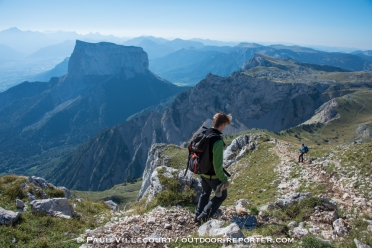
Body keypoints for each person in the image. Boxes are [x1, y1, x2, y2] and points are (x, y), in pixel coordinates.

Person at [195, 112, 232, 224]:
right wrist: (224, 180)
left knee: (205, 193)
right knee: (222, 195)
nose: (225, 128)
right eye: (225, 125)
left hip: (203, 172)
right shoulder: (217, 140)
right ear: (222, 124)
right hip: (212, 175)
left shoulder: (206, 132)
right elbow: (217, 166)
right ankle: (203, 218)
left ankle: (197, 216)